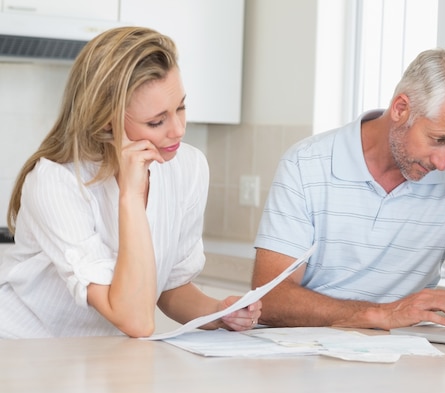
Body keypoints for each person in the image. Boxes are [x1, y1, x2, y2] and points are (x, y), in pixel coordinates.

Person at [0, 26, 261, 339]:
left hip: (98, 358)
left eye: (181, 107)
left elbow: (169, 287)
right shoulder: (56, 182)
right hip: (23, 352)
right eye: (157, 121)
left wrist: (220, 312)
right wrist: (130, 198)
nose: (178, 130)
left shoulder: (188, 167)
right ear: (107, 119)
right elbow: (136, 320)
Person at [251, 48, 445, 330]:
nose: (443, 162)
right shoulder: (306, 163)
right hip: (308, 355)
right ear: (400, 109)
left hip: (404, 360)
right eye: (439, 139)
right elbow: (270, 300)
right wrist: (383, 314)